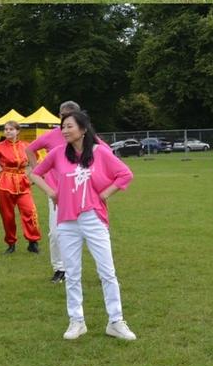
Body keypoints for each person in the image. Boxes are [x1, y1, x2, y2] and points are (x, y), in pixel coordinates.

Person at [31, 110, 136, 341]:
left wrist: (106, 193)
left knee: (107, 272)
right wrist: (51, 192)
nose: (64, 130)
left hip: (93, 218)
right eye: (63, 126)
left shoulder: (100, 153)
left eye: (69, 126)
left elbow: (125, 174)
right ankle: (76, 321)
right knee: (73, 274)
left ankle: (116, 321)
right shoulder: (58, 153)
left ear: (83, 129)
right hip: (67, 221)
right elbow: (36, 173)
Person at [29, 100, 113, 283]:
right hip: (59, 194)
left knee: (95, 232)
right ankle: (60, 268)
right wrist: (44, 179)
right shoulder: (52, 136)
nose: (65, 127)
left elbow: (108, 157)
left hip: (85, 195)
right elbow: (30, 149)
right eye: (62, 119)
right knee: (56, 232)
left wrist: (101, 186)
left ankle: (104, 271)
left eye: (69, 120)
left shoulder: (89, 138)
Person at [0, 120, 42, 255]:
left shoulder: (26, 146)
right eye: (6, 129)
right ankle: (11, 243)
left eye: (11, 129)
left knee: (30, 211)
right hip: (5, 183)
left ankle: (33, 242)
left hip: (23, 182)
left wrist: (31, 174)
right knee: (7, 215)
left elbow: (35, 160)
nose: (8, 131)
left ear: (18, 131)